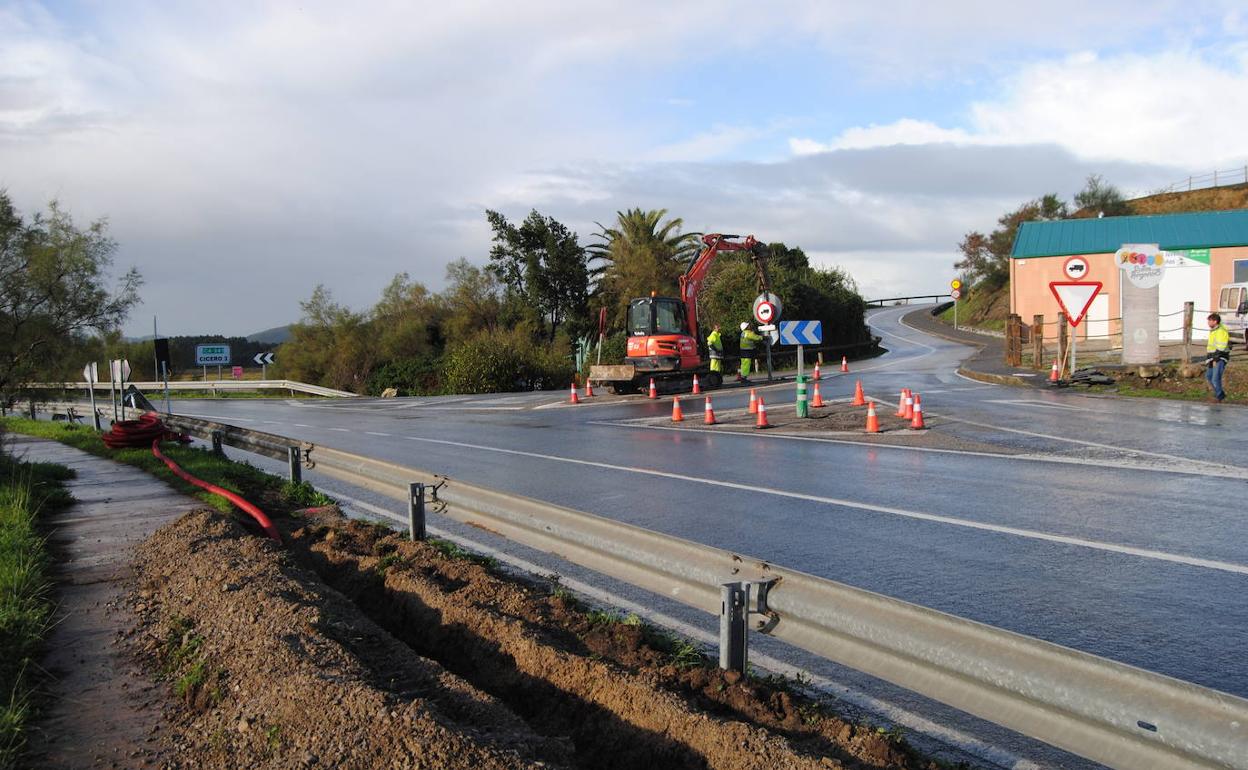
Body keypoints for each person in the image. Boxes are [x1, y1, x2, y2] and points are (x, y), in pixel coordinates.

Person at [1205, 312, 1231, 402]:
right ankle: (1220, 394)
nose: (1208, 323)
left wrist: (1215, 359)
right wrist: (1210, 358)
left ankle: (1220, 396)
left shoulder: (1221, 331)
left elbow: (1221, 347)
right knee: (1209, 376)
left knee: (1215, 378)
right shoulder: (1214, 330)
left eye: (1209, 321)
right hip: (1212, 357)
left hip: (1220, 357)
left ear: (1215, 321)